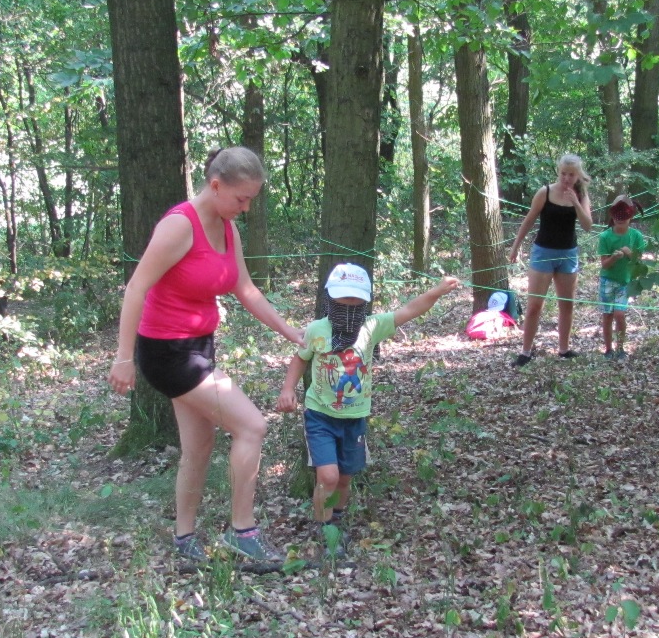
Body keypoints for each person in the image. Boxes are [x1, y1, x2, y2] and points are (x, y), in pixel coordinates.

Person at [109, 146, 303, 571]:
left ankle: (184, 539)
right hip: (167, 352)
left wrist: (292, 333)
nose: (245, 208)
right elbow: (136, 287)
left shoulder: (227, 228)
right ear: (215, 185)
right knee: (252, 425)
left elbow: (245, 289)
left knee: (198, 447)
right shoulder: (179, 225)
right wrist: (123, 358)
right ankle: (242, 533)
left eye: (251, 200)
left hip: (199, 346)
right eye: (241, 198)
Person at [275, 264, 460, 558]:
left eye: (356, 302)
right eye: (342, 301)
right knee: (328, 476)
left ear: (365, 302)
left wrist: (437, 291)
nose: (349, 307)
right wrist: (288, 389)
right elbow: (300, 358)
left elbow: (410, 310)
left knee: (345, 477)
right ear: (330, 299)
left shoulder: (372, 327)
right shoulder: (317, 329)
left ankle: (336, 518)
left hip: (355, 417)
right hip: (320, 416)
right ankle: (324, 530)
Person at [507, 153, 594, 366]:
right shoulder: (544, 192)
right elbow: (528, 220)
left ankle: (564, 349)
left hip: (568, 254)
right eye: (563, 173)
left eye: (571, 175)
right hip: (543, 253)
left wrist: (576, 203)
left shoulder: (581, 195)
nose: (566, 178)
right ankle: (526, 352)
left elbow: (588, 225)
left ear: (577, 175)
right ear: (558, 171)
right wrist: (515, 247)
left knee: (567, 304)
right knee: (535, 305)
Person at [597, 194, 648, 361]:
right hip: (607, 281)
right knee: (607, 315)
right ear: (612, 216)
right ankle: (608, 349)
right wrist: (613, 258)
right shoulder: (605, 236)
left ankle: (620, 349)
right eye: (617, 216)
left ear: (630, 217)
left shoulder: (636, 236)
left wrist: (629, 253)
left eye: (624, 216)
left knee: (619, 314)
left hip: (625, 282)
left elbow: (639, 262)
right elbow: (604, 264)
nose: (620, 220)